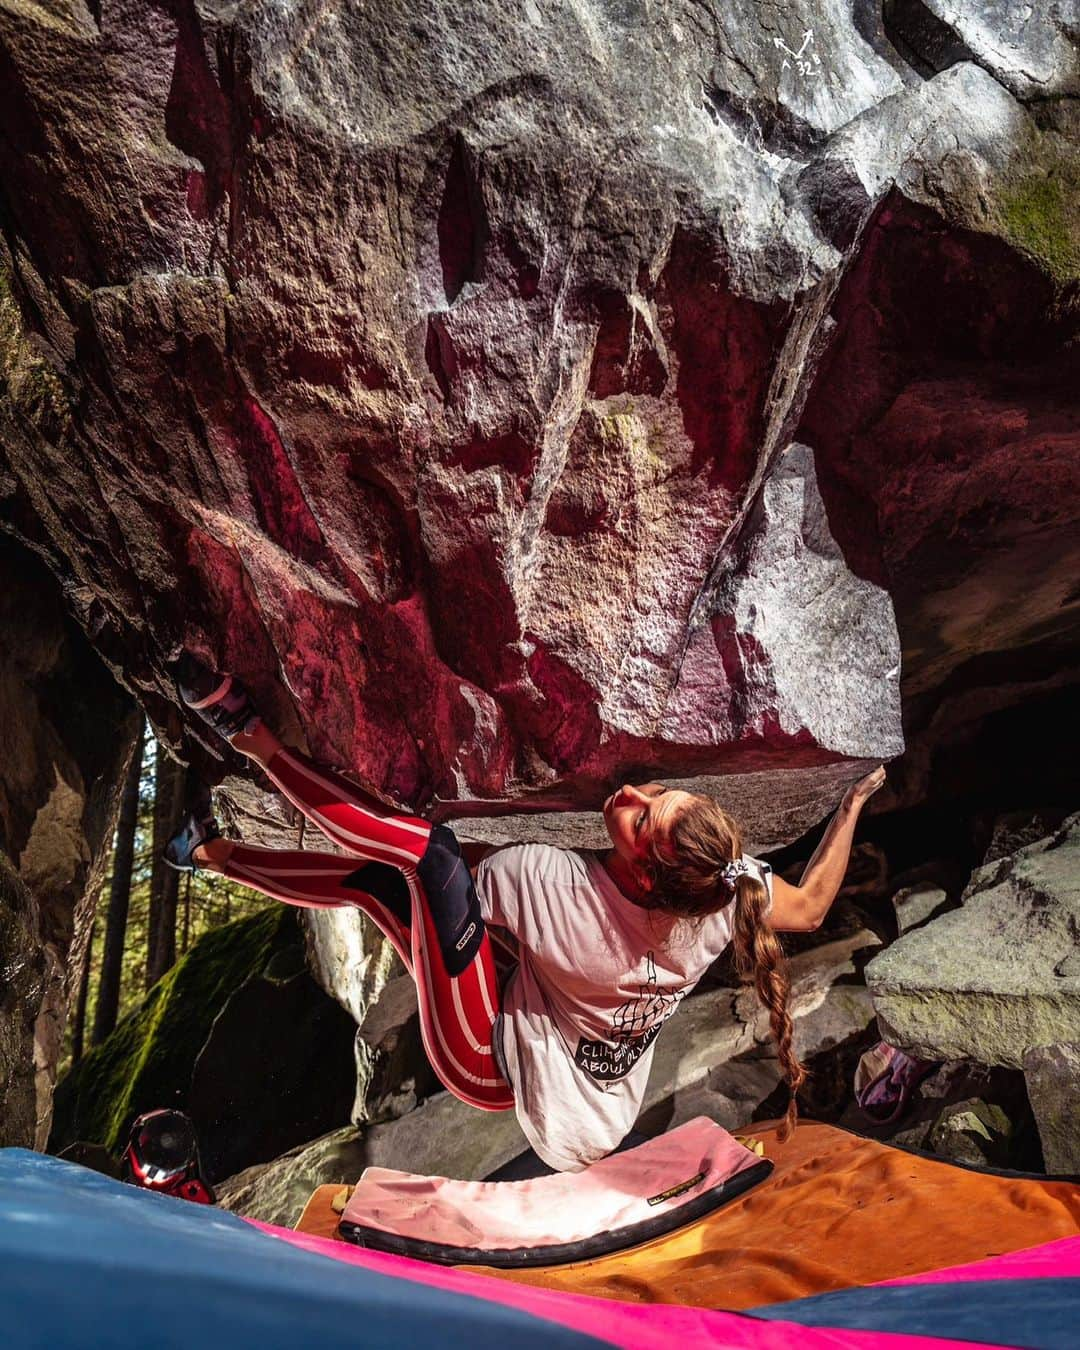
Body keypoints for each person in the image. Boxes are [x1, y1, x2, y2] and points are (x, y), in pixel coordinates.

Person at [166, 657, 887, 1173]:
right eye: (658, 794)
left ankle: (249, 734)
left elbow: (427, 864)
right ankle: (207, 853)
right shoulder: (721, 891)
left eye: (638, 823)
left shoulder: (553, 884)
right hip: (593, 1098)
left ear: (641, 870)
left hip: (490, 1063)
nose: (629, 796)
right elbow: (815, 903)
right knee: (379, 889)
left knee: (425, 865)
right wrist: (852, 806)